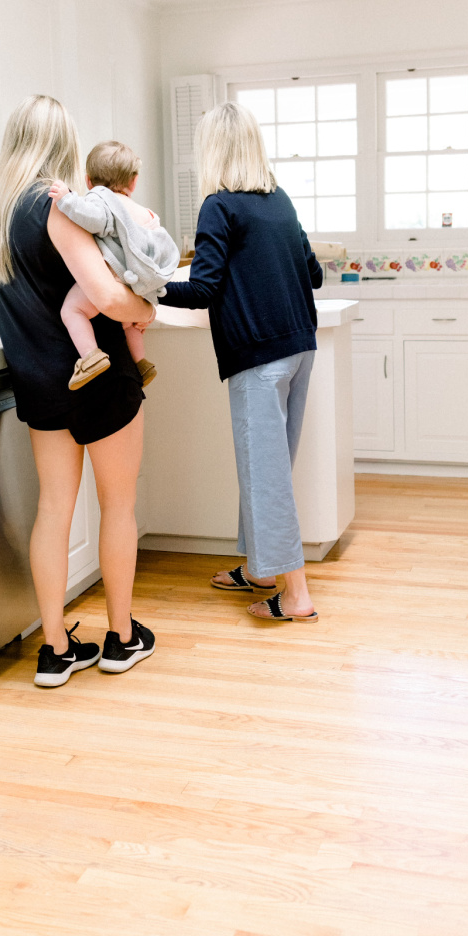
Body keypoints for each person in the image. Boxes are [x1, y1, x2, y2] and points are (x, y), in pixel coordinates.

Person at [0, 96, 157, 686]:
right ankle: (122, 638)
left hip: (41, 382)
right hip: (98, 376)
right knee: (118, 505)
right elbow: (104, 296)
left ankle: (54, 650)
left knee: (53, 509)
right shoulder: (56, 207)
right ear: (63, 145)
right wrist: (145, 307)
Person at [163, 101, 324, 623]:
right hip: (300, 349)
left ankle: (296, 594)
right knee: (266, 468)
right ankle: (259, 569)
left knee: (265, 473)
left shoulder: (219, 205)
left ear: (212, 149)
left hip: (259, 356)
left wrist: (144, 286)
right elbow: (314, 274)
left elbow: (204, 288)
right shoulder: (279, 200)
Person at [48, 140, 179, 391]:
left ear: (88, 181)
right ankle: (141, 362)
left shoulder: (102, 201)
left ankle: (90, 356)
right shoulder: (146, 213)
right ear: (134, 181)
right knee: (129, 321)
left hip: (115, 273)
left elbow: (95, 220)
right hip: (140, 281)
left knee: (72, 310)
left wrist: (67, 200)